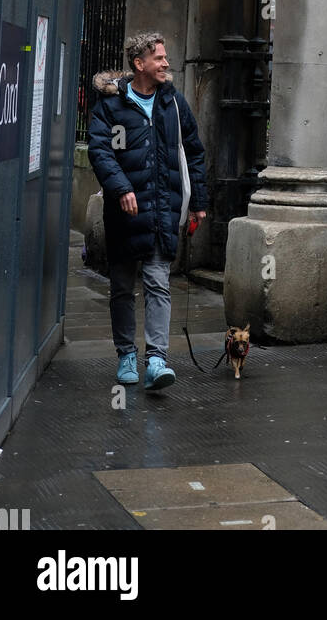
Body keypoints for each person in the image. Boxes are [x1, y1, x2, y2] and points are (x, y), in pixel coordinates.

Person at [87, 32, 208, 390]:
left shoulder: (173, 103)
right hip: (124, 214)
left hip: (161, 211)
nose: (166, 64)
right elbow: (100, 150)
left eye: (165, 58)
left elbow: (194, 150)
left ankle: (156, 360)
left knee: (158, 283)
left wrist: (198, 202)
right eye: (159, 59)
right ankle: (126, 355)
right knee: (123, 287)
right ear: (139, 64)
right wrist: (121, 187)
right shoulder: (110, 106)